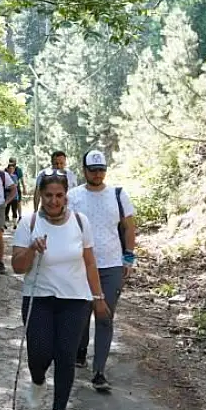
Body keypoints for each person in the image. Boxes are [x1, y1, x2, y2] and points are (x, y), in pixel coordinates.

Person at [12, 169, 106, 410]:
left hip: (75, 300)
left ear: (66, 196)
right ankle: (38, 381)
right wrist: (31, 249)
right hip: (37, 297)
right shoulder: (28, 223)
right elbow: (18, 267)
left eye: (59, 195)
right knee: (39, 354)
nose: (54, 201)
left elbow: (89, 262)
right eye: (48, 195)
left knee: (66, 355)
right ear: (40, 195)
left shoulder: (80, 221)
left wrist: (98, 297)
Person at [66, 149, 137, 393]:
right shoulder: (73, 195)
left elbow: (129, 227)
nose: (98, 174)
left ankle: (99, 372)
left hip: (111, 264)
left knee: (105, 315)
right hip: (80, 264)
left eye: (101, 170)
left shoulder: (118, 195)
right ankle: (80, 349)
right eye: (93, 170)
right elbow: (63, 224)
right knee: (81, 311)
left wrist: (129, 256)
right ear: (84, 170)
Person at [5, 157, 23, 225]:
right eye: (11, 161)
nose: (12, 162)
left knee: (18, 203)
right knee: (8, 205)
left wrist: (24, 187)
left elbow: (21, 179)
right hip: (7, 191)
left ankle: (19, 216)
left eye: (13, 161)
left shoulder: (18, 170)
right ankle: (6, 219)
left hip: (16, 189)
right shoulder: (6, 170)